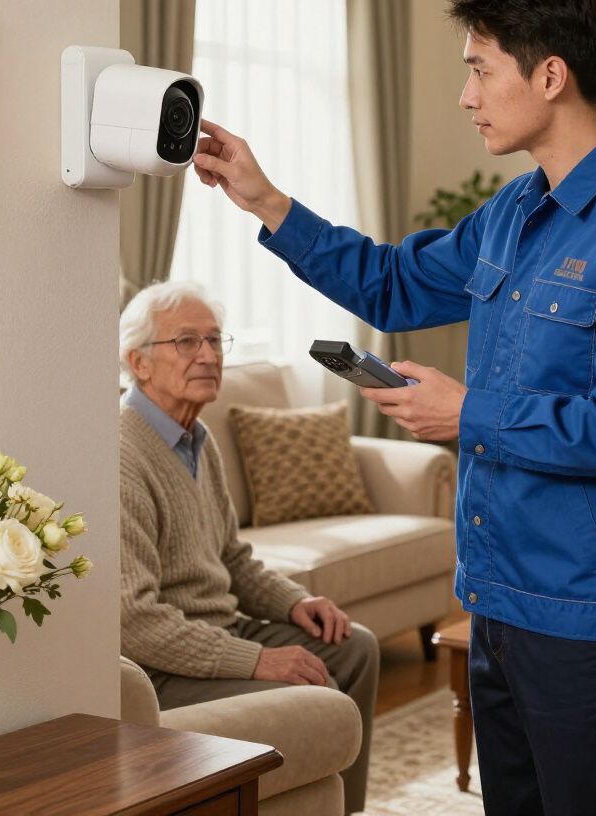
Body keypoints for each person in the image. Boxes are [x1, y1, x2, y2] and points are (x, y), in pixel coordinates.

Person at [191, 0, 596, 816]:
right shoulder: (515, 212)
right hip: (497, 590)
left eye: (480, 68)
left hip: (591, 612)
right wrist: (266, 202)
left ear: (550, 75)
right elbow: (391, 284)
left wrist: (466, 411)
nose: (465, 94)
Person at [118, 281, 379, 816]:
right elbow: (134, 621)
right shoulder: (121, 455)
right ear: (137, 363)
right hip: (166, 669)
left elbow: (232, 558)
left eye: (215, 340)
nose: (209, 355)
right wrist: (259, 661)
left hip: (222, 630)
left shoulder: (197, 438)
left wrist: (294, 603)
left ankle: (345, 809)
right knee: (316, 688)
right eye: (187, 342)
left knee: (357, 646)